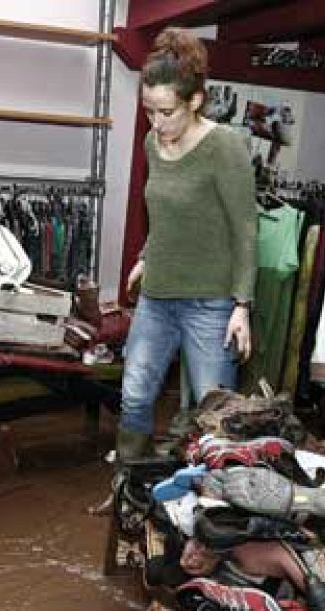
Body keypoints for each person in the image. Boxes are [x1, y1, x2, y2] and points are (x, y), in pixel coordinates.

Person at [119, 27, 256, 461]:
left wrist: (242, 305)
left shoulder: (225, 147)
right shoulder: (152, 143)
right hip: (157, 294)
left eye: (165, 112)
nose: (155, 124)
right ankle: (130, 485)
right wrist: (145, 257)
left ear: (194, 101)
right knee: (135, 395)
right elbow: (163, 215)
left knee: (213, 411)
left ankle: (214, 506)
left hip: (209, 303)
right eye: (148, 111)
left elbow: (245, 229)